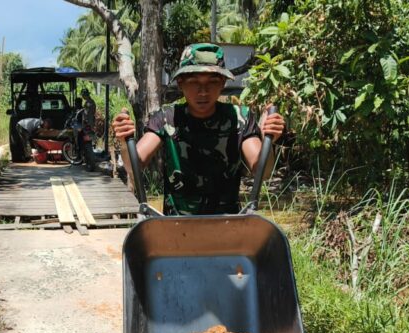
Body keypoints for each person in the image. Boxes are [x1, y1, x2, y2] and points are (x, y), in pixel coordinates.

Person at [111, 43, 286, 215]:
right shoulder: (167, 118)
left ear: (223, 83)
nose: (203, 91)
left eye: (212, 81)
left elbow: (263, 172)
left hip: (227, 224)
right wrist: (125, 141)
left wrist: (268, 141)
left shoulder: (239, 117)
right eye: (194, 82)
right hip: (177, 225)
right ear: (180, 83)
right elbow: (134, 166)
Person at [79, 88, 98, 170]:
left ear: (85, 95)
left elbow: (86, 116)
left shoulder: (88, 103)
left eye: (83, 95)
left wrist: (85, 125)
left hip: (87, 126)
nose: (83, 96)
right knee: (88, 143)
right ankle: (88, 162)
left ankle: (89, 163)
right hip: (91, 125)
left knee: (87, 145)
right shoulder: (91, 102)